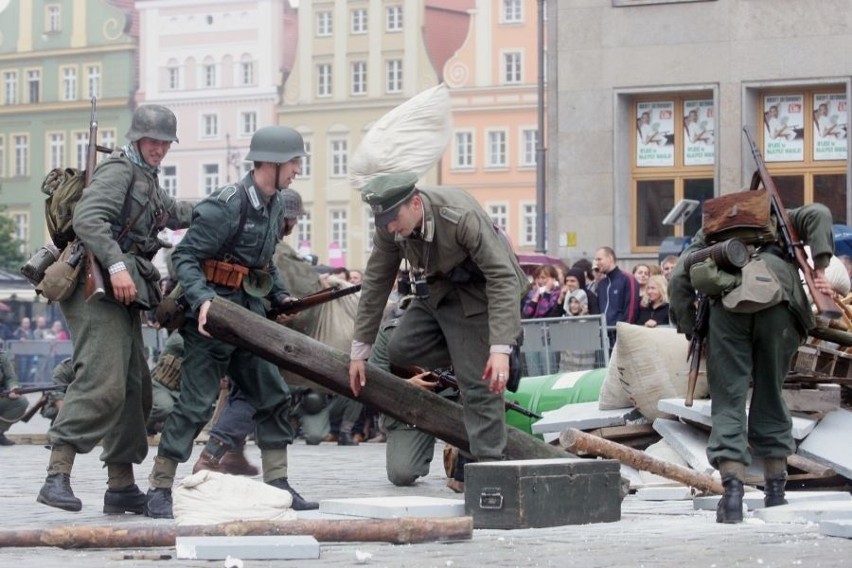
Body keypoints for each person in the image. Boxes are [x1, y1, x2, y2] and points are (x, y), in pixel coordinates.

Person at [144, 125, 317, 519]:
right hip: (210, 318)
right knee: (196, 403)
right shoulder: (226, 204)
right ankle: (159, 486)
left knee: (272, 392)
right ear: (270, 164)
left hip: (248, 315)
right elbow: (183, 257)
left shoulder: (274, 205)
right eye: (293, 162)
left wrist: (280, 296)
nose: (296, 171)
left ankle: (277, 483)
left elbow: (264, 263)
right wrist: (203, 300)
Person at [37, 104, 193, 514]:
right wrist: (119, 265)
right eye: (153, 141)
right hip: (94, 284)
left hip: (120, 289)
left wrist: (219, 207)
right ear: (137, 138)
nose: (159, 148)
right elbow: (89, 219)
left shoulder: (147, 176)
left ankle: (121, 485)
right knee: (102, 379)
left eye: (165, 142)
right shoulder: (120, 170)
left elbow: (171, 213)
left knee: (133, 387)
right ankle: (57, 475)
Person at [349, 172, 528, 483]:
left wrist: (500, 347)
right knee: (400, 347)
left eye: (394, 217)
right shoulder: (391, 229)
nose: (391, 227)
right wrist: (359, 350)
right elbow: (376, 282)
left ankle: (489, 474)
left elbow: (503, 278)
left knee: (479, 385)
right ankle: (468, 359)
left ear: (415, 203)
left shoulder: (459, 217)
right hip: (437, 293)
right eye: (384, 221)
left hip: (480, 296)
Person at [669, 202, 834, 524]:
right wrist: (820, 270)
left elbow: (679, 279)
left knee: (728, 399)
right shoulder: (782, 219)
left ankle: (732, 495)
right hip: (780, 307)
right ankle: (775, 492)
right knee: (771, 393)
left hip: (728, 313)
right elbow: (820, 213)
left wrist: (692, 328)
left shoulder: (710, 232)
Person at [594, 246, 640, 344]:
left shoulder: (627, 279)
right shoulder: (602, 284)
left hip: (621, 337)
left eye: (599, 259)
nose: (596, 263)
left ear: (610, 258)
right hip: (604, 337)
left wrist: (624, 333)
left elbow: (631, 309)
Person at [0, 349, 28, 446]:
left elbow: (10, 378)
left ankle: (0, 432)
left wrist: (13, 388)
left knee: (21, 402)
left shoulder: (2, 357)